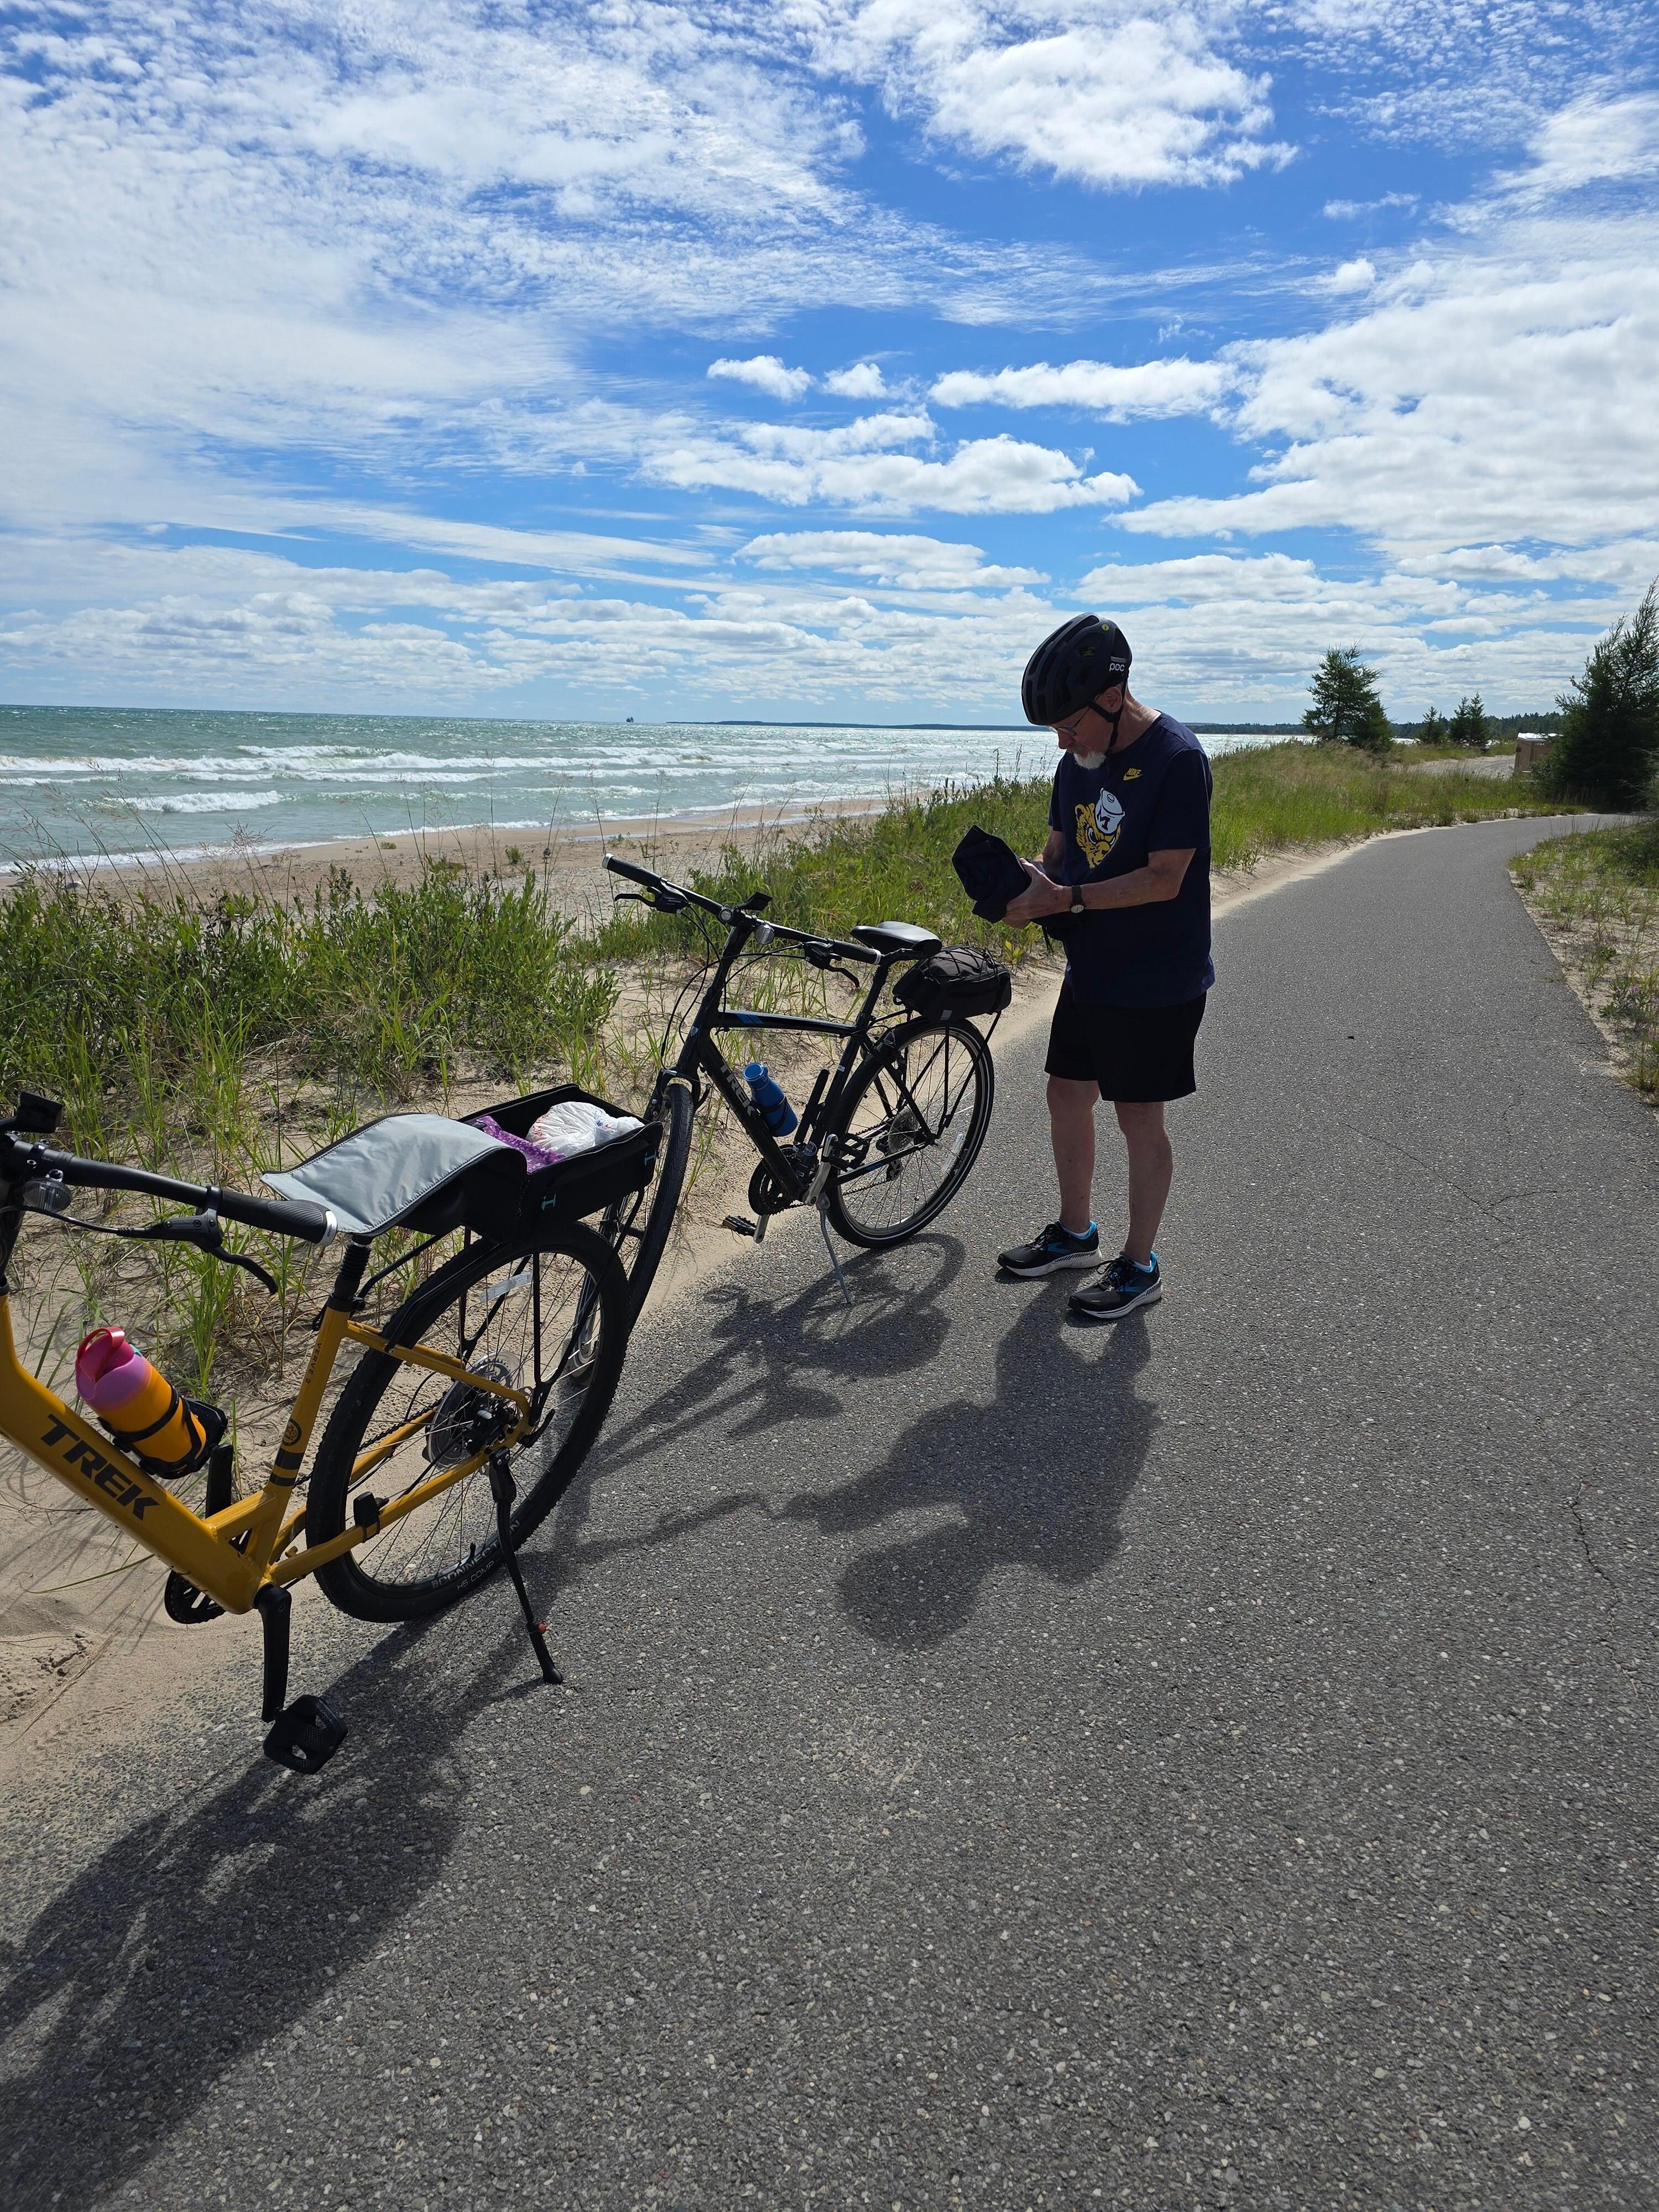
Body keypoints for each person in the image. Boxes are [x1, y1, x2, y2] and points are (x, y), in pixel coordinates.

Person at [997, 614, 1213, 1319]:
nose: (1064, 741)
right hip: (1092, 968)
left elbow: (1165, 877)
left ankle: (1141, 1264)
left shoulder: (1177, 759)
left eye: (1071, 725)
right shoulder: (1075, 765)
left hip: (1157, 975)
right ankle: (1075, 1233)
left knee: (1137, 1116)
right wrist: (1025, 884)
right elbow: (1061, 853)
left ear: (1114, 697)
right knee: (1066, 1094)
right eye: (1055, 731)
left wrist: (1072, 897)